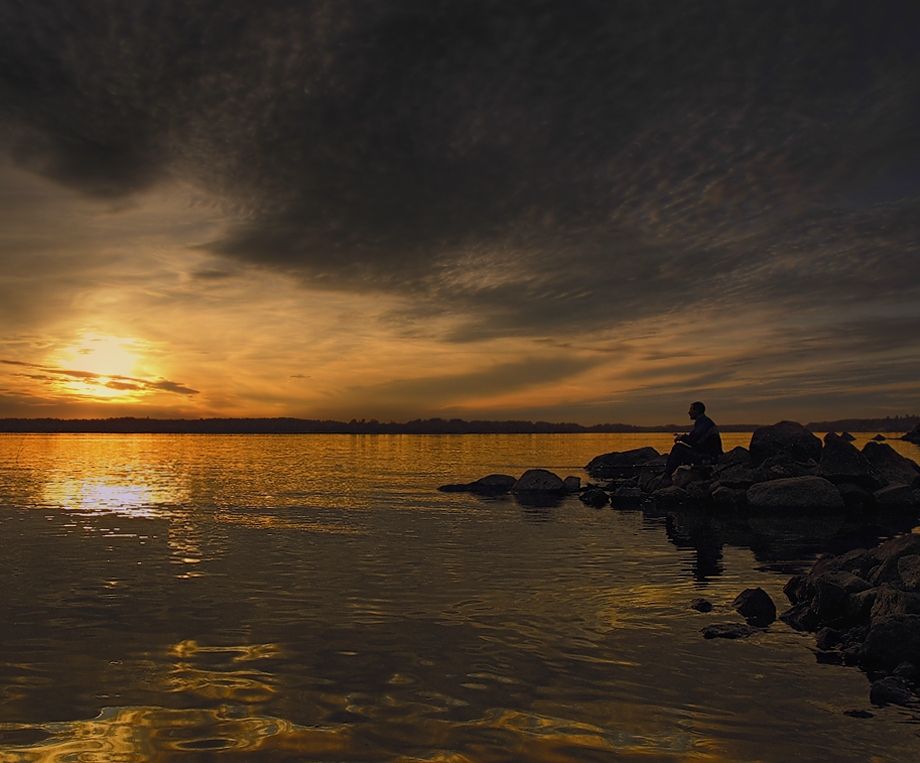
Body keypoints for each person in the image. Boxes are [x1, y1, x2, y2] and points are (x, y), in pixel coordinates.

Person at [665, 401, 722, 477]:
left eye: (691, 410)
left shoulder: (704, 422)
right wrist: (683, 437)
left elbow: (694, 440)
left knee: (678, 448)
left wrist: (681, 438)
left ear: (697, 411)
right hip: (706, 453)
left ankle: (667, 475)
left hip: (708, 457)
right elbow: (695, 440)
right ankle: (672, 472)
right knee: (680, 448)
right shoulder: (704, 421)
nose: (689, 412)